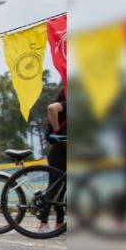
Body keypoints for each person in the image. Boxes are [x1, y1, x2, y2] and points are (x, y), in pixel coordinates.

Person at [40, 90, 67, 231]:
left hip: (62, 151)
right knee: (54, 188)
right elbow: (51, 107)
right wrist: (58, 132)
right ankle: (43, 224)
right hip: (60, 152)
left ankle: (59, 223)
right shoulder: (68, 104)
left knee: (61, 189)